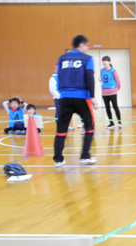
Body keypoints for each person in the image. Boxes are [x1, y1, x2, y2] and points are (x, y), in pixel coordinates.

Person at [53, 34, 98, 167]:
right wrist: (93, 96)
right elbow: (90, 76)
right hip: (81, 98)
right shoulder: (87, 58)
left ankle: (58, 160)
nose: (88, 47)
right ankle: (85, 157)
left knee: (61, 129)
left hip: (65, 98)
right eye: (87, 45)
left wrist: (62, 92)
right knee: (89, 127)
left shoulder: (62, 58)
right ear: (81, 45)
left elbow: (59, 76)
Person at [100, 55, 122, 130]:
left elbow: (117, 80)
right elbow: (102, 79)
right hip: (104, 92)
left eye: (105, 62)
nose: (104, 63)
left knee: (115, 106)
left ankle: (119, 122)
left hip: (112, 92)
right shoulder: (102, 70)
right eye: (103, 62)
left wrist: (117, 88)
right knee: (107, 107)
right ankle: (111, 123)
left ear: (109, 62)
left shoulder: (113, 71)